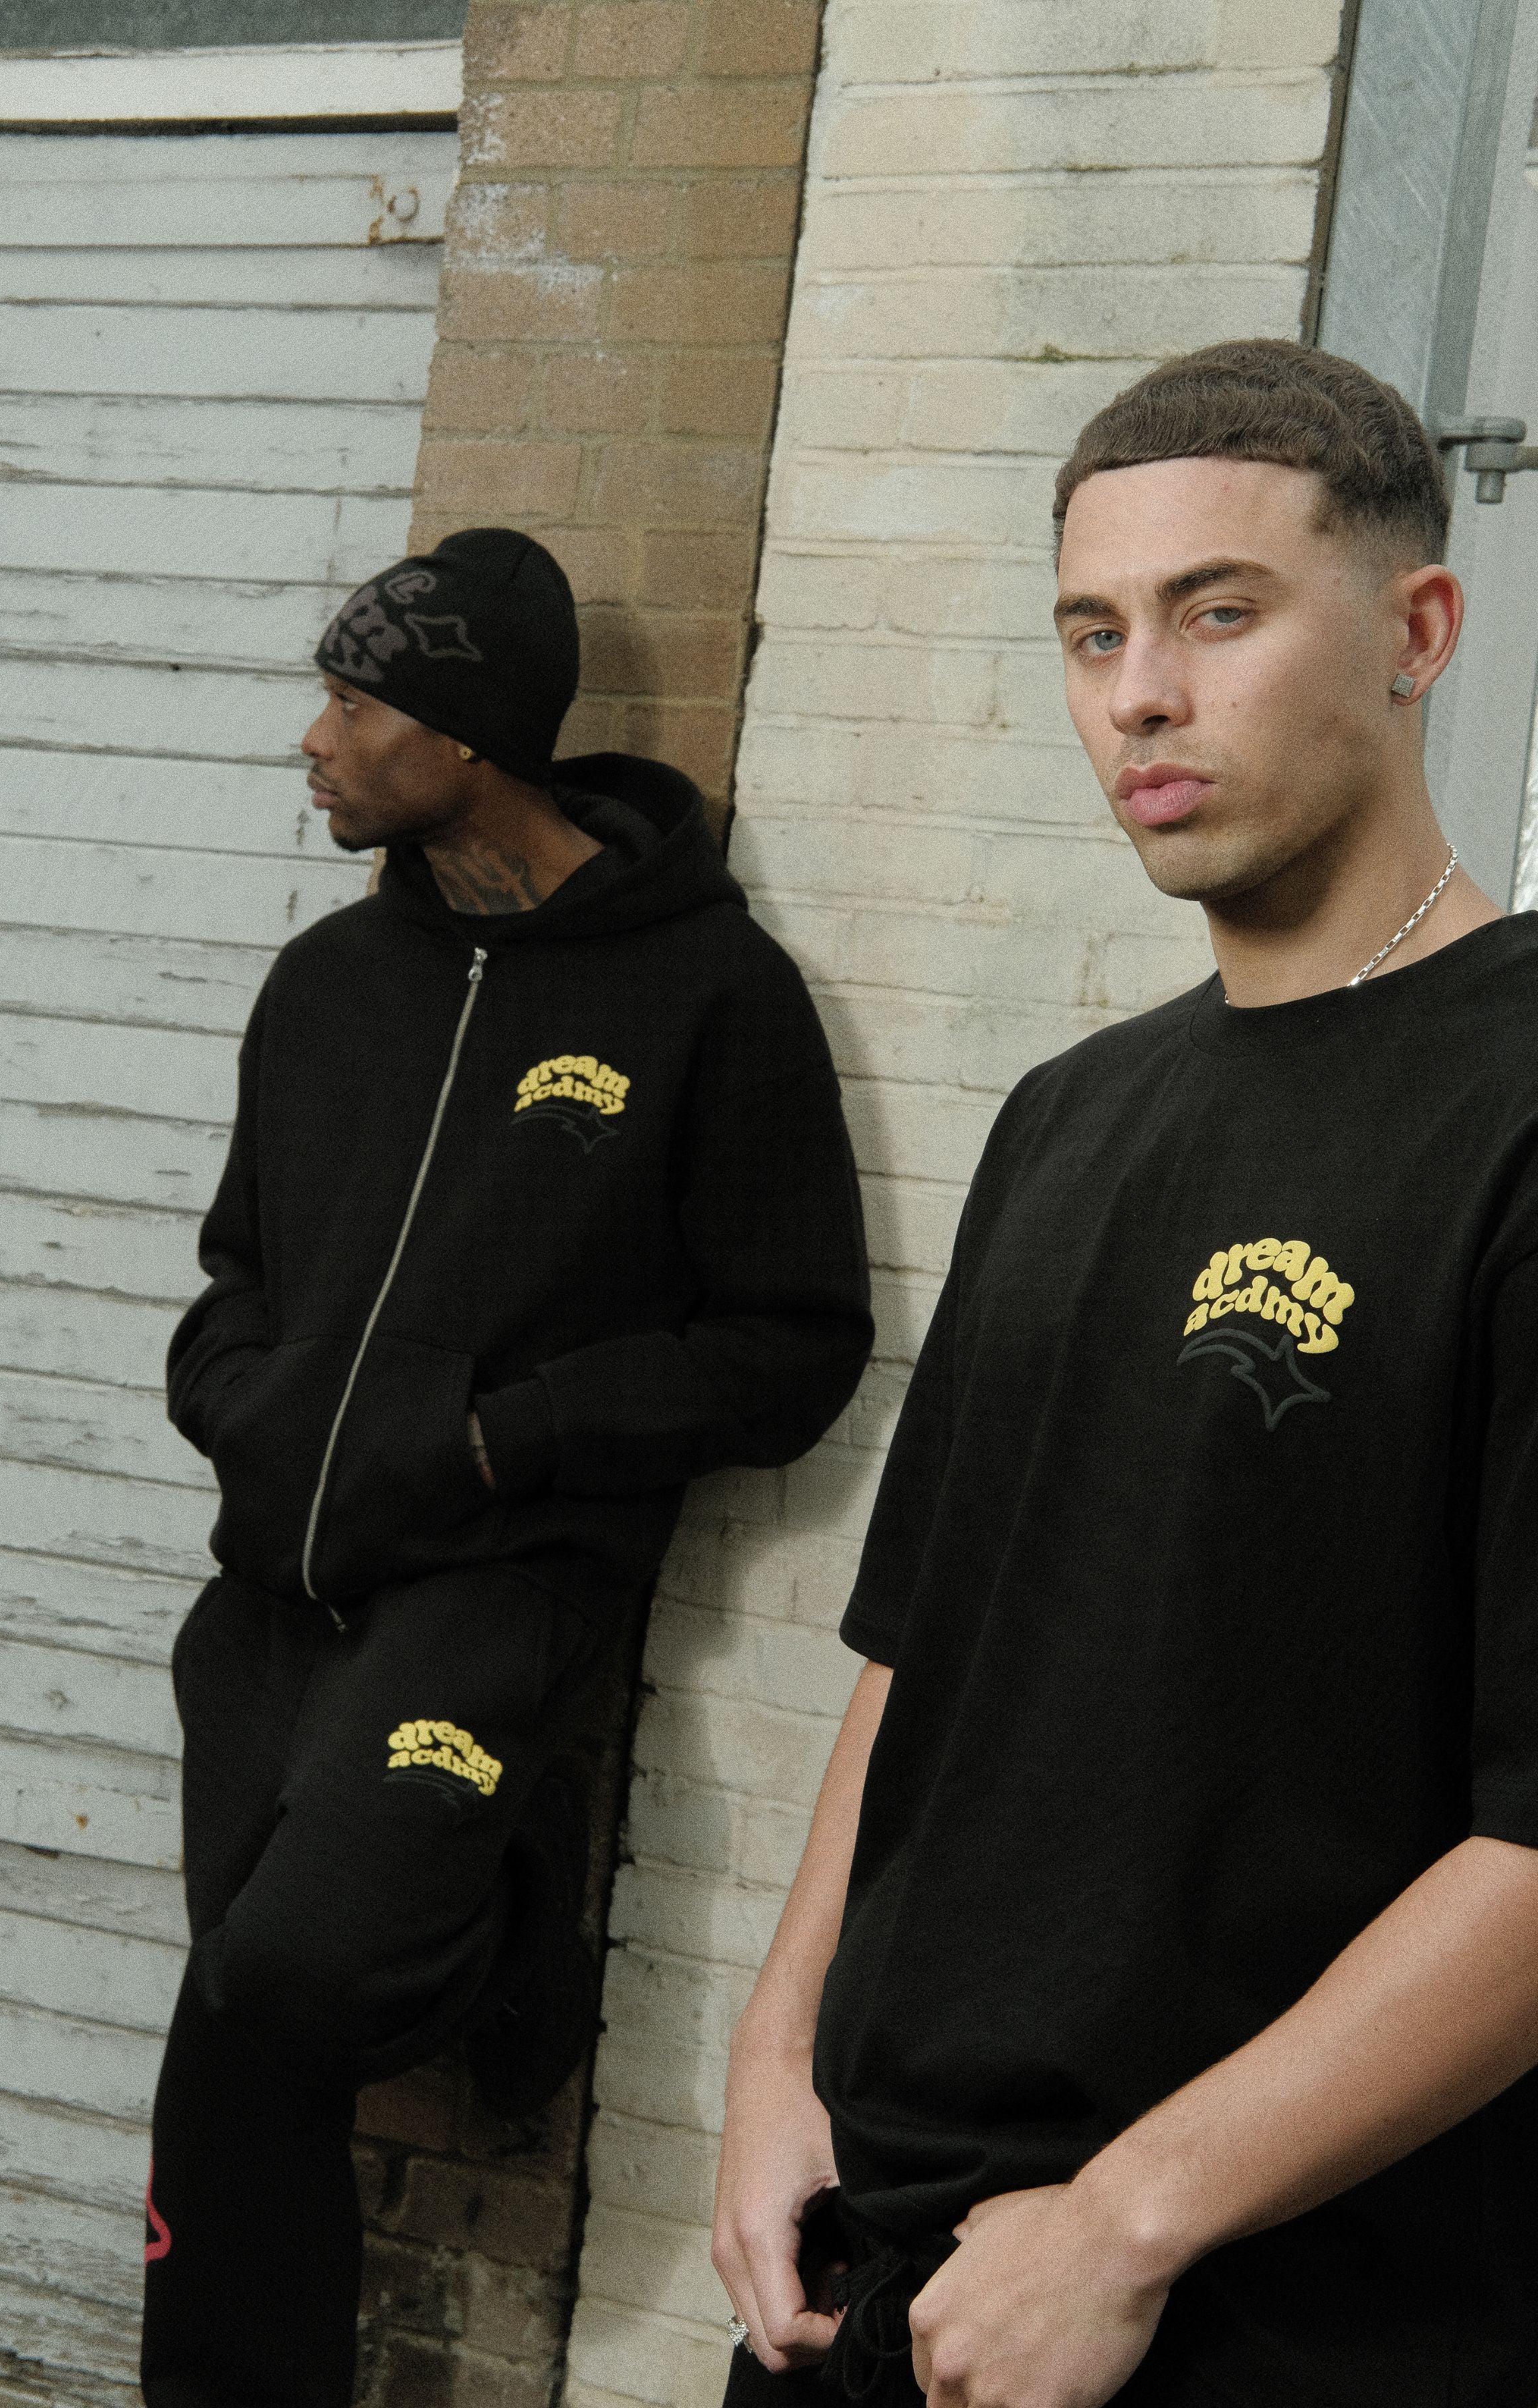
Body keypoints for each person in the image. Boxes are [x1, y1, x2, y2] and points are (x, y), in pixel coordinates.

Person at [712, 338, 1538, 2408]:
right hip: (881, 2263)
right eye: (1093, 634)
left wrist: (1130, 2220)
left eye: (1217, 614)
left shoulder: (1517, 1110)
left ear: (1420, 631)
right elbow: (920, 1650)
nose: (1140, 696)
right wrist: (777, 2055)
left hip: (1265, 2306)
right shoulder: (1069, 1117)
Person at [141, 525, 873, 2407]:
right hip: (273, 1597)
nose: (314, 741)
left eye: (354, 703)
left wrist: (503, 1436)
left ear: (468, 737)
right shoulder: (327, 984)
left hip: (497, 1585)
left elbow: (795, 1344)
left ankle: (514, 1918)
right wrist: (240, 1399)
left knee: (290, 1982)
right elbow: (237, 1278)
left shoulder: (709, 994)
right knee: (252, 2018)